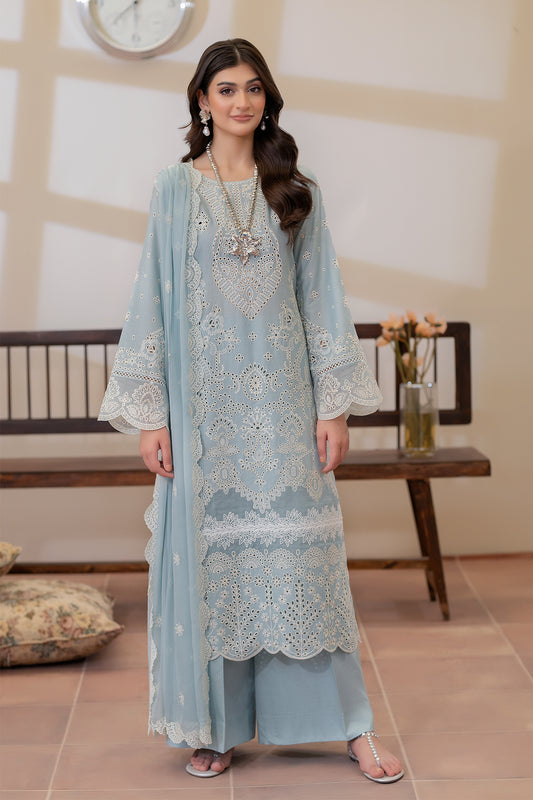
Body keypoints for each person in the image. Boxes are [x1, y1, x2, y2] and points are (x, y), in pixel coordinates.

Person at [99, 38, 404, 784]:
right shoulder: (174, 190)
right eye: (226, 89)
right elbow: (151, 302)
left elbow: (321, 300)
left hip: (284, 408)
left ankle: (351, 726)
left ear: (267, 99)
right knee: (216, 570)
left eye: (253, 88)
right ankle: (216, 726)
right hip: (205, 417)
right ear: (202, 102)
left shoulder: (294, 190)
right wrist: (153, 416)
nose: (242, 101)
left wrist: (334, 409)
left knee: (304, 567)